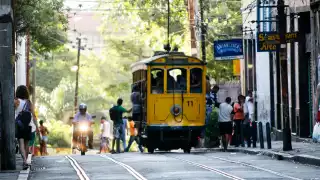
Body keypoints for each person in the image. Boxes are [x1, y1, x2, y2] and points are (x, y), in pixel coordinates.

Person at [14, 85, 39, 169]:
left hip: (19, 125)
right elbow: (33, 116)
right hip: (28, 125)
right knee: (27, 144)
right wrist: (37, 127)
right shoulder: (29, 102)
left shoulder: (16, 101)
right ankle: (25, 161)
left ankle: (24, 161)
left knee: (21, 143)